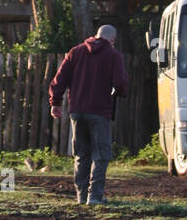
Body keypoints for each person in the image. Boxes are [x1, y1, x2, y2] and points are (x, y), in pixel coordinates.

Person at [49, 24, 128, 205]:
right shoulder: (113, 55)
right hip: (99, 111)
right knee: (101, 155)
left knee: (81, 154)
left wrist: (56, 103)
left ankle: (81, 196)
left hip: (76, 111)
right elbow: (121, 82)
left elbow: (59, 79)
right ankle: (95, 196)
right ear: (112, 40)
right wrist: (122, 92)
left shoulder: (75, 52)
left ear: (96, 35)